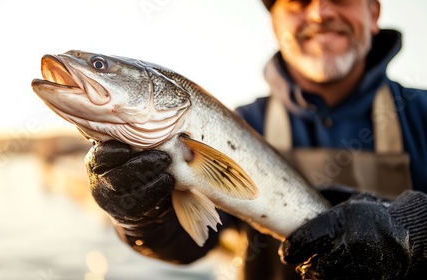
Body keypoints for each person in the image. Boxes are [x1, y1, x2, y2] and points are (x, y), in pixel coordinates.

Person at [88, 0, 427, 279]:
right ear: (275, 25)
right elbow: (188, 244)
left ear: (373, 13)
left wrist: (415, 229)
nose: (320, 12)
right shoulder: (243, 122)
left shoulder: (422, 114)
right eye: (298, 2)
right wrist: (140, 215)